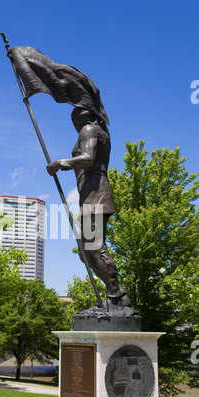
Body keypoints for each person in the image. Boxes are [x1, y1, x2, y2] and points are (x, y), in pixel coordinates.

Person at [47, 107, 131, 308]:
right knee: (85, 250)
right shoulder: (98, 130)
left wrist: (61, 163)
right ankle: (116, 292)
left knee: (95, 247)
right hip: (92, 196)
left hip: (96, 195)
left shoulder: (89, 129)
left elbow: (88, 158)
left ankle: (116, 297)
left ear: (78, 117)